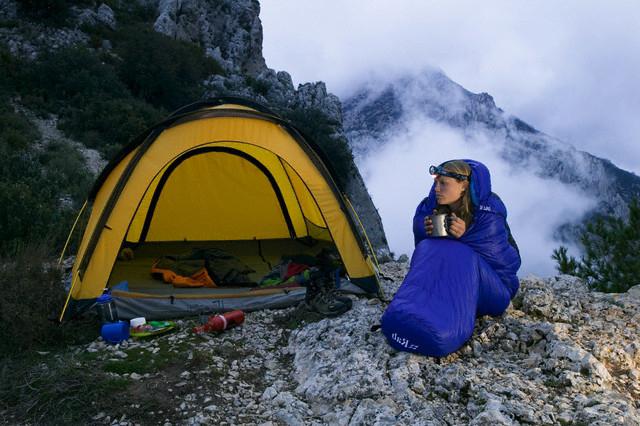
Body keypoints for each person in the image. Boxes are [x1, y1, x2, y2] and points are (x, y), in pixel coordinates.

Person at [381, 159, 521, 357]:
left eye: (444, 183)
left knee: (458, 252)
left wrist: (467, 235)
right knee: (430, 246)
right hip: (457, 287)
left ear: (464, 186)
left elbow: (498, 263)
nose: (437, 188)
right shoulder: (430, 207)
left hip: (495, 289)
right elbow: (423, 253)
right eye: (436, 182)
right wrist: (425, 230)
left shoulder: (488, 214)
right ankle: (413, 315)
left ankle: (444, 329)